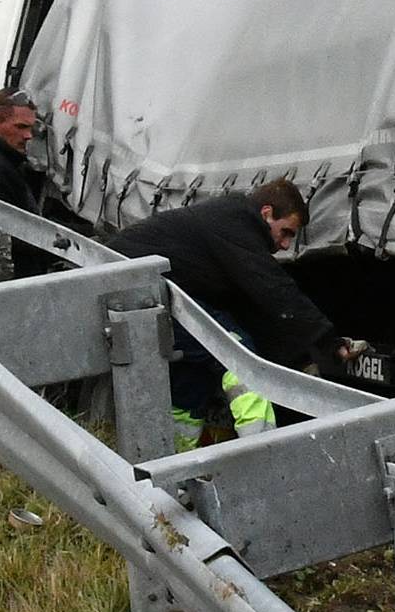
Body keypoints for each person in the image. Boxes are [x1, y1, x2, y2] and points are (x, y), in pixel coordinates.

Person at [109, 177, 360, 449]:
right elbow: (273, 288)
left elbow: (249, 304)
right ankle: (264, 456)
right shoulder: (235, 222)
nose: (287, 245)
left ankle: (176, 456)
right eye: (286, 232)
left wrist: (300, 355)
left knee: (194, 376)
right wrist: (327, 340)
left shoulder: (230, 222)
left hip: (140, 294)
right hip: (136, 295)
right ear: (266, 214)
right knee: (241, 359)